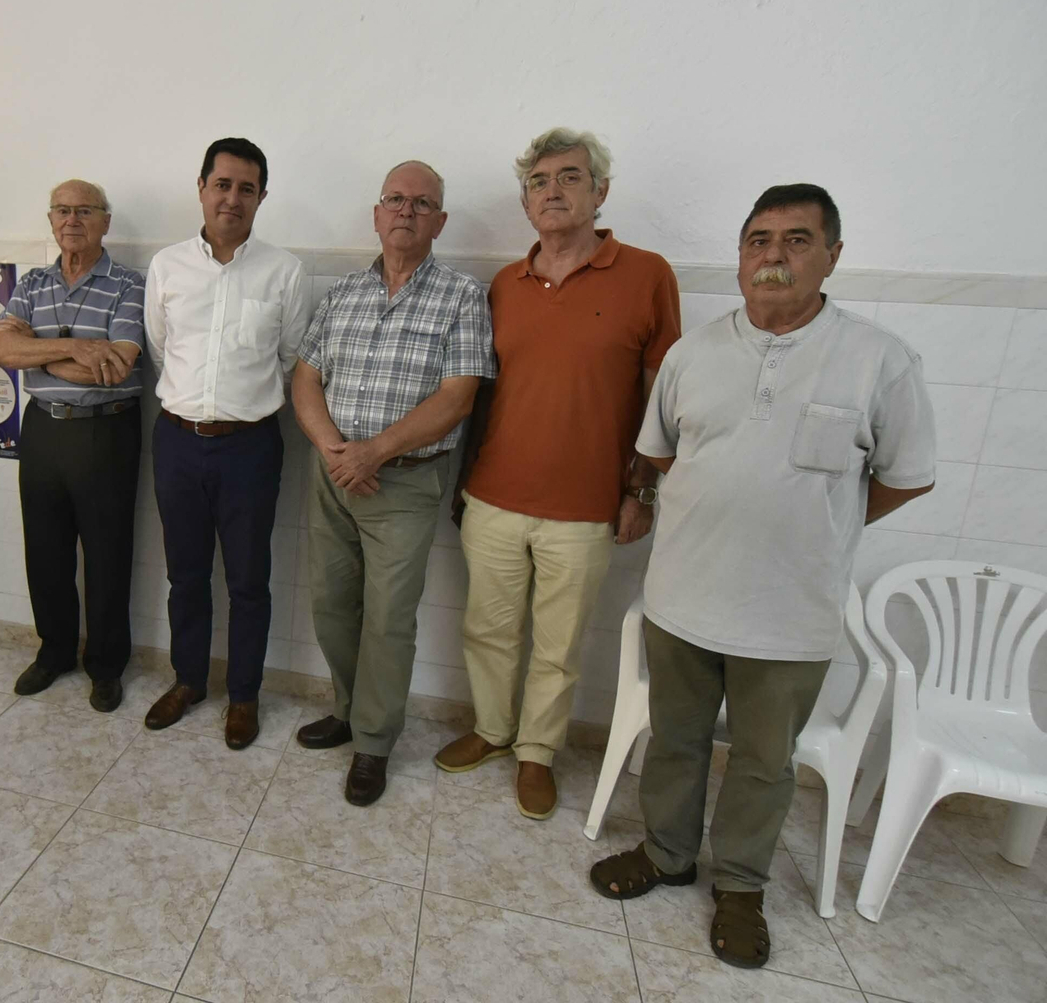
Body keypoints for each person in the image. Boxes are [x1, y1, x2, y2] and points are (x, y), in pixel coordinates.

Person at [589, 184, 936, 969]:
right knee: (674, 740)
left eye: (795, 241)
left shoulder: (878, 360)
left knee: (762, 760)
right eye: (757, 241)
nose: (772, 257)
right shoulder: (694, 354)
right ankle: (668, 854)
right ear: (741, 254)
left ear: (832, 256)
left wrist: (822, 526)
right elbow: (662, 453)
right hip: (684, 598)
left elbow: (905, 476)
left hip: (788, 616)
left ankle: (741, 888)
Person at [439, 129, 682, 820]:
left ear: (600, 192)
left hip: (586, 508)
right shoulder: (504, 285)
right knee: (486, 628)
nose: (554, 191)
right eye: (540, 181)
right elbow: (482, 392)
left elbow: (666, 396)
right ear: (525, 202)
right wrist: (465, 482)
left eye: (570, 178)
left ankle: (536, 754)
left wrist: (642, 489)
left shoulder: (647, 274)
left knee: (558, 644)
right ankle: (491, 731)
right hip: (493, 496)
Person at [291, 160, 494, 805]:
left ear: (439, 220)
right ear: (377, 215)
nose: (405, 211)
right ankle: (349, 711)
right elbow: (305, 378)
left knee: (387, 619)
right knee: (329, 603)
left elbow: (459, 397)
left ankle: (374, 744)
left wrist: (374, 452)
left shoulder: (462, 296)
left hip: (402, 482)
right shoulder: (343, 294)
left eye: (421, 202)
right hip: (334, 474)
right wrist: (333, 448)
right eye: (395, 200)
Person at [142, 138, 309, 749]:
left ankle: (244, 695)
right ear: (202, 187)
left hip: (251, 447)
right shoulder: (167, 266)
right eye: (222, 184)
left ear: (261, 196)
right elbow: (162, 347)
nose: (232, 198)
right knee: (185, 575)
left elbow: (291, 357)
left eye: (246, 188)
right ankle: (189, 680)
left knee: (248, 582)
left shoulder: (285, 271)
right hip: (178, 441)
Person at [0, 179, 144, 712]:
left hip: (107, 429)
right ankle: (54, 651)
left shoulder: (128, 284)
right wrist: (74, 347)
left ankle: (105, 665)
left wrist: (36, 352)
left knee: (106, 554)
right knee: (45, 549)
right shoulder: (33, 282)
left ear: (105, 221)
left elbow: (115, 365)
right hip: (43, 429)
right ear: (50, 221)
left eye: (84, 211)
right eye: (61, 211)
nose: (71, 220)